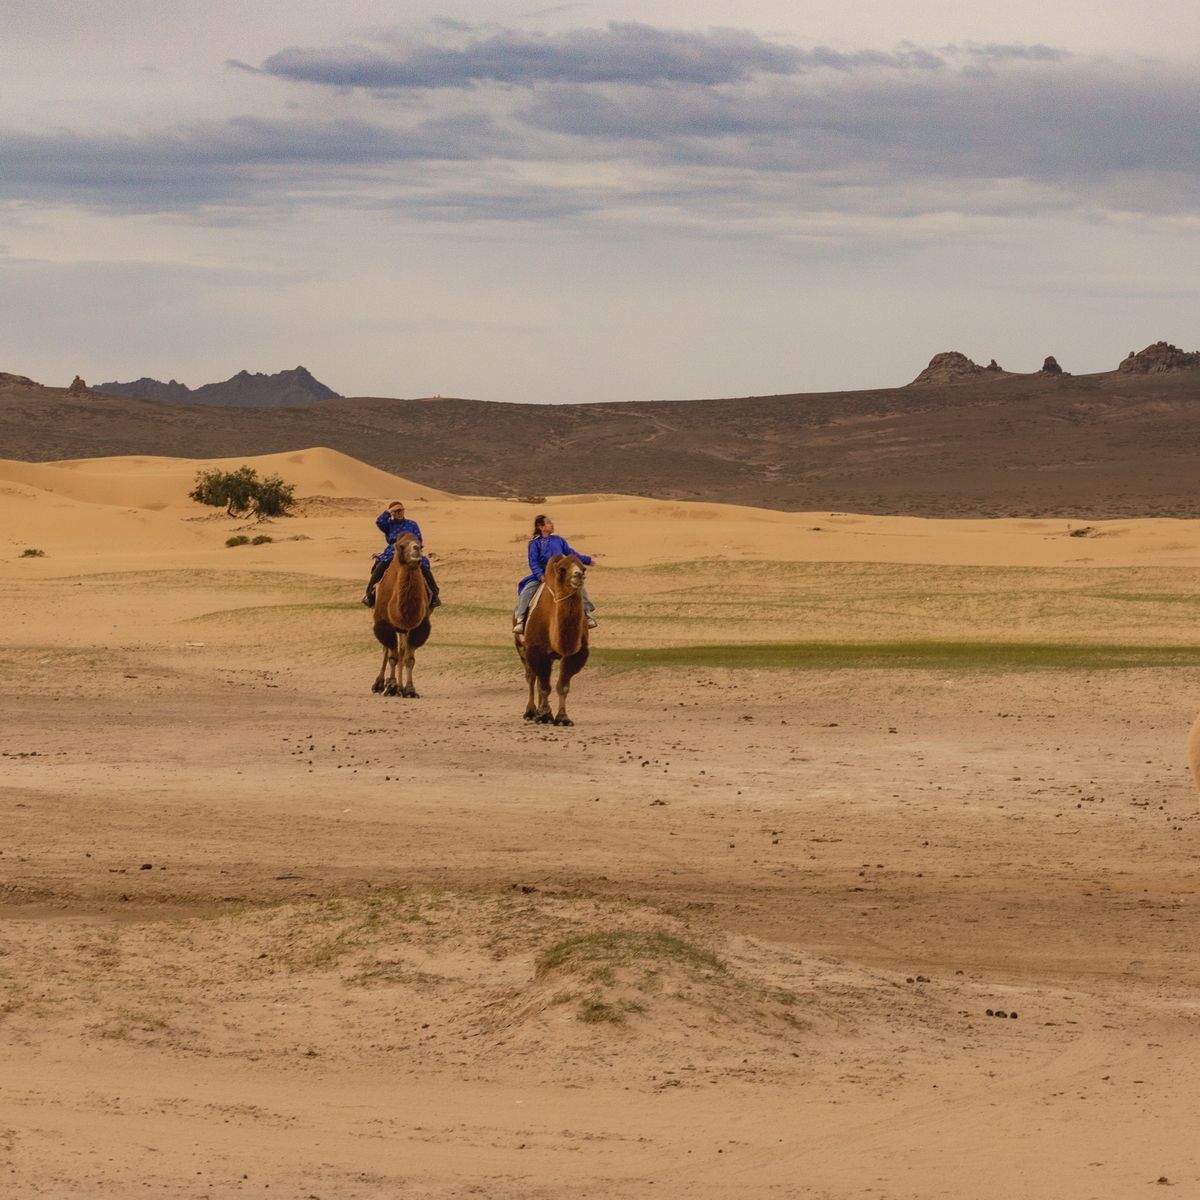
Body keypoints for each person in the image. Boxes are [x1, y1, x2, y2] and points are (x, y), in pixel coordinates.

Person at [512, 513, 596, 635]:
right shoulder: (535, 543)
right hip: (542, 575)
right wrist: (540, 575)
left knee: (579, 587)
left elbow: (571, 554)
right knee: (527, 591)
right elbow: (533, 562)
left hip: (561, 574)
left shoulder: (559, 540)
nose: (552, 525)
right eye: (549, 523)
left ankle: (588, 615)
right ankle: (520, 620)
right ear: (541, 527)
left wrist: (586, 560)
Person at [361, 501, 442, 609]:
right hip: (393, 551)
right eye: (396, 511)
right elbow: (379, 521)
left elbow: (419, 539)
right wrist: (389, 511)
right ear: (392, 513)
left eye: (401, 510)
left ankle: (434, 595)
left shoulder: (412, 524)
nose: (399, 513)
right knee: (381, 566)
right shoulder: (388, 525)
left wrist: (413, 546)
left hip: (410, 550)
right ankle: (369, 594)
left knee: (423, 567)